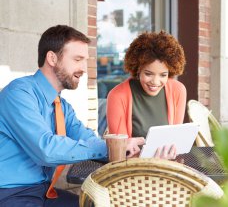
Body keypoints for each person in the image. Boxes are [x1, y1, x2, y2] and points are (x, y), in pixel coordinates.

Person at [0, 25, 144, 207]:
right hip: (10, 194)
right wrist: (110, 148)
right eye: (77, 59)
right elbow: (46, 150)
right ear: (52, 58)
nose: (84, 68)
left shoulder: (62, 107)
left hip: (43, 192)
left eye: (85, 60)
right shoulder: (19, 93)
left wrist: (125, 149)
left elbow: (89, 139)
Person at [107, 31, 187, 158]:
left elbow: (175, 141)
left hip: (168, 167)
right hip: (133, 170)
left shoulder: (178, 90)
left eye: (163, 75)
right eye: (148, 74)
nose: (155, 82)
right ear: (138, 69)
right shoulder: (117, 96)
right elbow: (119, 153)